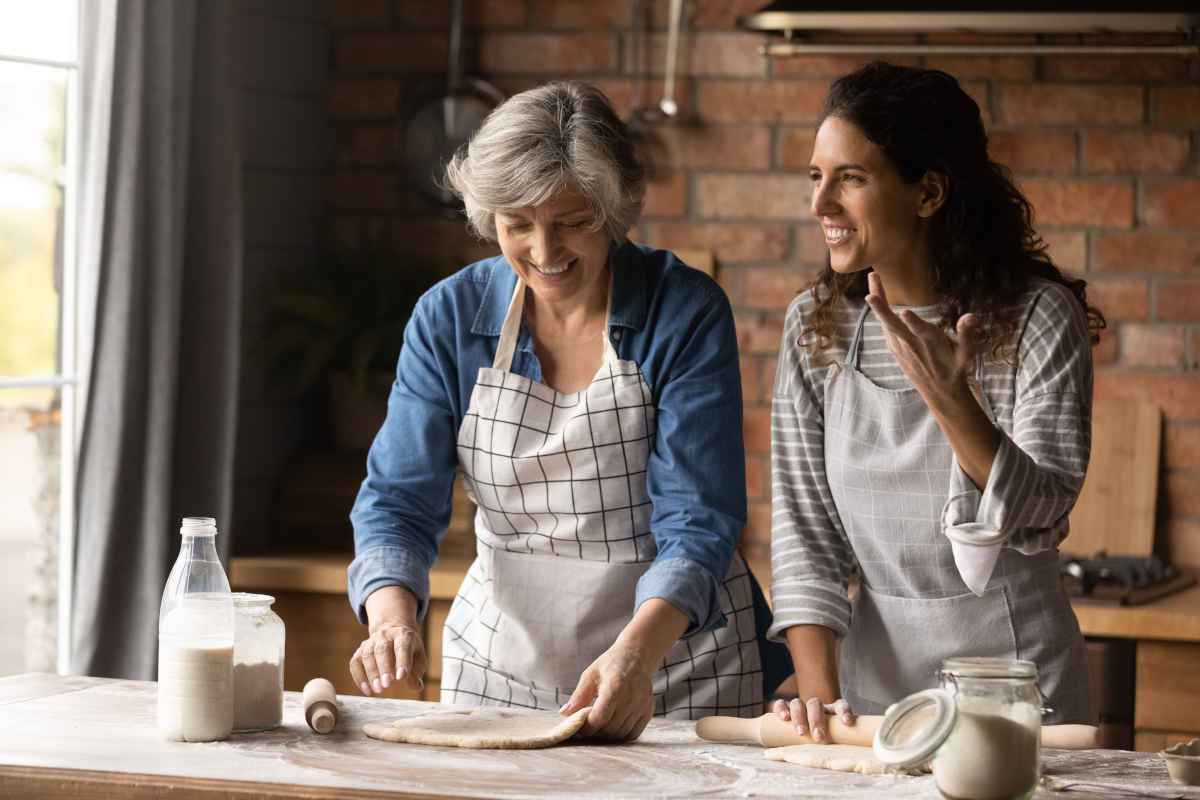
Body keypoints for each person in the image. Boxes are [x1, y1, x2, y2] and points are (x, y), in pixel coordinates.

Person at [346, 80, 790, 741]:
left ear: (613, 211)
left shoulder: (683, 312)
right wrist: (391, 621)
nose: (545, 253)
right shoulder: (449, 318)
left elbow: (698, 519)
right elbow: (397, 501)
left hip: (675, 667)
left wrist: (637, 654)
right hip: (501, 668)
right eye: (517, 225)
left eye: (573, 222)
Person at [768, 62, 1105, 740]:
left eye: (851, 178)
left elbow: (1041, 510)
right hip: (873, 703)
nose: (821, 204)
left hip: (1016, 693)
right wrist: (819, 700)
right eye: (816, 177)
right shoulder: (816, 326)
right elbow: (805, 536)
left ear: (928, 193)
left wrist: (952, 399)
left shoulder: (1037, 317)